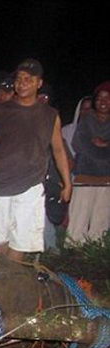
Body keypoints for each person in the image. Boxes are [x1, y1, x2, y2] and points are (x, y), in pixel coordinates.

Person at [0, 59, 71, 262]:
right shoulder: (0, 111)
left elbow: (58, 149)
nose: (22, 83)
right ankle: (3, 280)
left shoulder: (50, 115)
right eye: (19, 79)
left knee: (20, 240)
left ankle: (9, 285)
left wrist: (67, 182)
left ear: (39, 83)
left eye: (28, 79)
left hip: (30, 186)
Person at [65, 81, 110, 245]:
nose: (103, 102)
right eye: (100, 98)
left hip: (107, 182)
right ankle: (72, 258)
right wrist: (104, 148)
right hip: (84, 178)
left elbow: (89, 147)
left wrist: (101, 144)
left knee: (101, 223)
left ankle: (93, 259)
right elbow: (79, 145)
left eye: (108, 98)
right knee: (77, 222)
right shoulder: (86, 120)